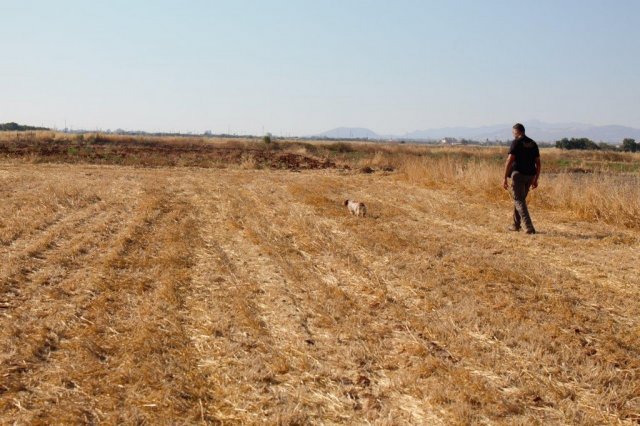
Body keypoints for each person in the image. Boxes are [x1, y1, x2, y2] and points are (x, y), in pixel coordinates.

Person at [502, 123, 541, 234]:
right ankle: (516, 224)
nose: (513, 134)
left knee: (519, 200)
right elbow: (538, 163)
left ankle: (529, 227)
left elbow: (509, 161)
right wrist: (536, 178)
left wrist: (504, 177)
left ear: (518, 131)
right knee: (520, 200)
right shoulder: (533, 144)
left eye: (513, 132)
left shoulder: (516, 143)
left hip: (518, 175)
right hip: (530, 176)